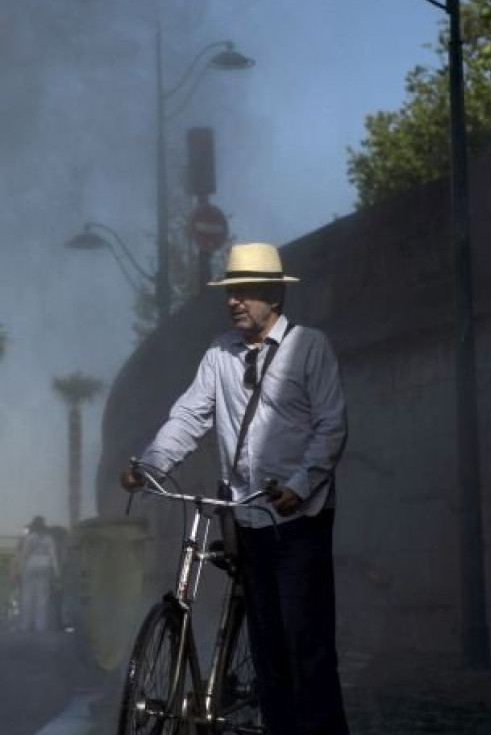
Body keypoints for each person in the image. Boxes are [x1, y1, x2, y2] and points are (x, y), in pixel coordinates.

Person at [124, 242, 349, 735]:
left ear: (274, 295)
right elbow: (189, 417)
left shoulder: (310, 347)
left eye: (245, 291)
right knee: (268, 647)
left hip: (298, 519)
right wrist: (150, 464)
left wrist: (300, 484)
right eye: (230, 291)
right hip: (246, 519)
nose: (234, 301)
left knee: (305, 646)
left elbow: (330, 427)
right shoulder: (219, 355)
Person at [14, 515, 59, 632]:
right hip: (45, 566)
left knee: (27, 596)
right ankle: (41, 626)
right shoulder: (49, 539)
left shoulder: (29, 538)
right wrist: (56, 571)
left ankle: (26, 624)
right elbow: (53, 556)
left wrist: (19, 570)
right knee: (42, 598)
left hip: (30, 566)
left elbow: (24, 555)